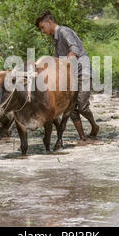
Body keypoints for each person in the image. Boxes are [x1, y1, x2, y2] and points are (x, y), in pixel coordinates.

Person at [35, 10, 99, 141]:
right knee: (71, 107)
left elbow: (74, 49)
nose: (43, 31)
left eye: (42, 27)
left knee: (82, 105)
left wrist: (64, 63)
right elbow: (58, 59)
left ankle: (94, 127)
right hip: (71, 74)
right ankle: (83, 137)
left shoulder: (63, 31)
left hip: (82, 71)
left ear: (50, 22)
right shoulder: (55, 39)